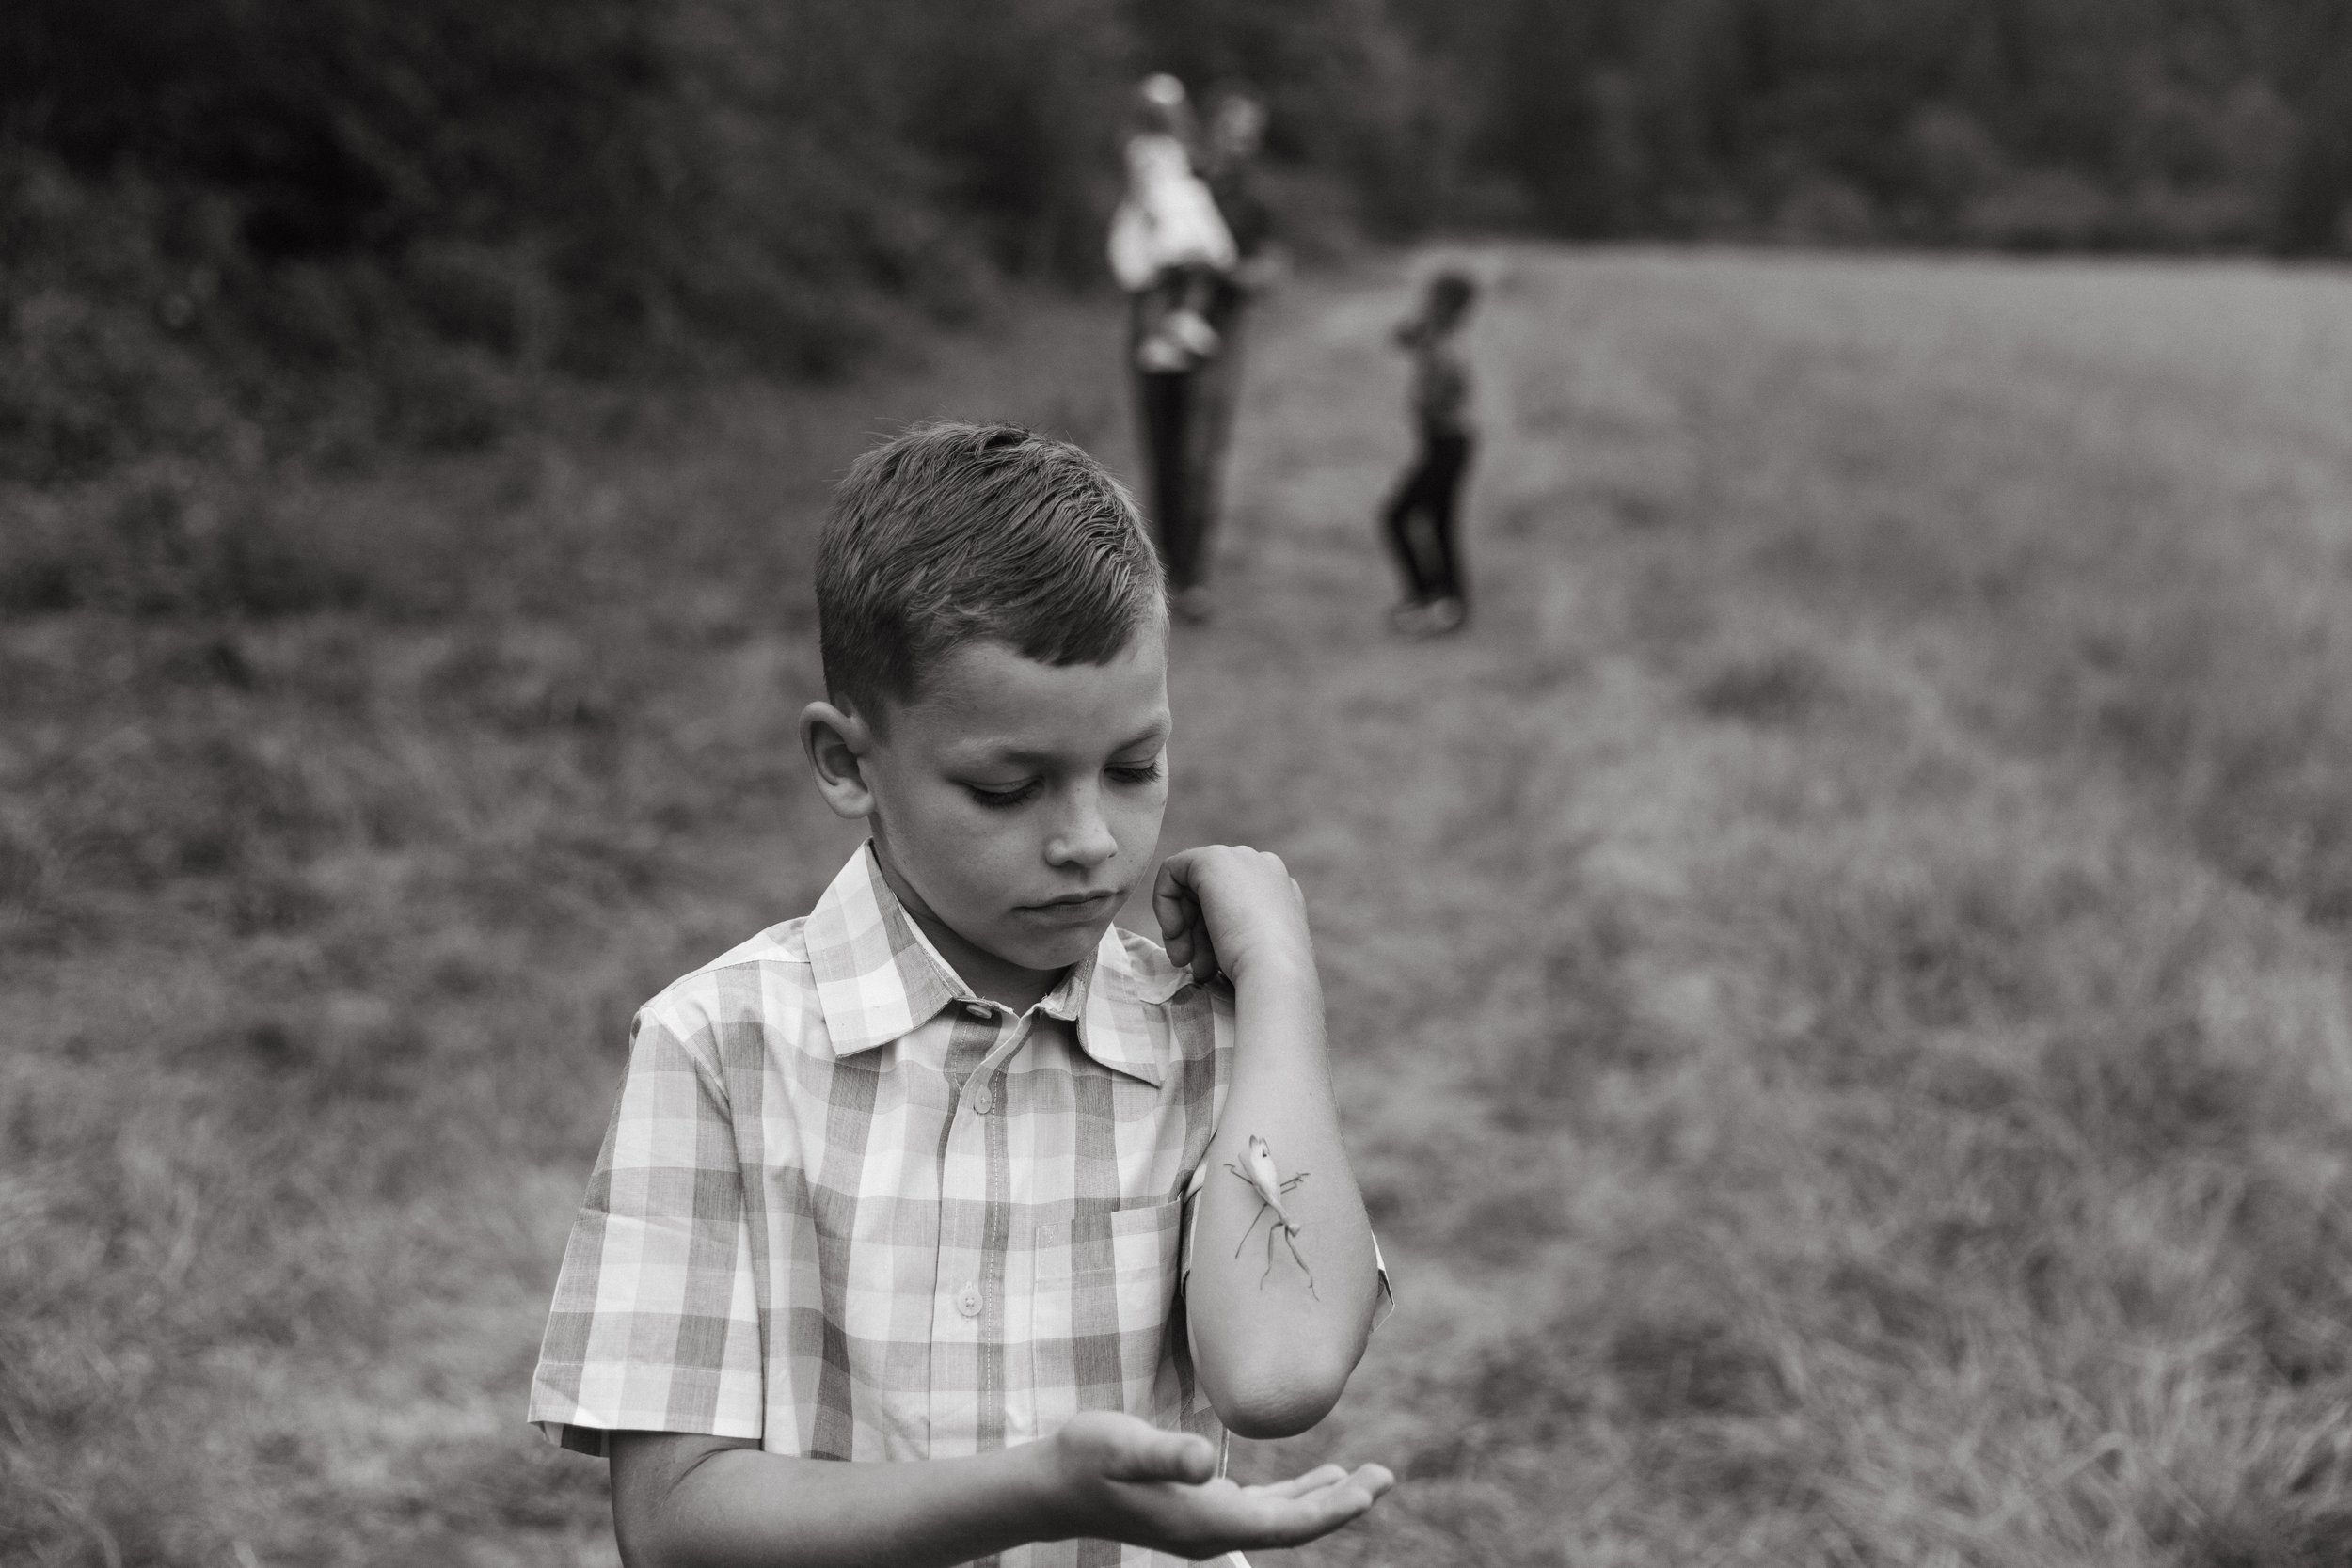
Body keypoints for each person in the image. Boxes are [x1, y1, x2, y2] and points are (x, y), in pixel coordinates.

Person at [526, 422, 1394, 1568]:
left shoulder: (1202, 1036)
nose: (1090, 841)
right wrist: (1032, 1492)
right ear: (846, 762)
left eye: (1135, 767)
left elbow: (1279, 1376)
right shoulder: (719, 1045)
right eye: (1007, 786)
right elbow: (676, 1523)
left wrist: (1280, 982)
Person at [1111, 74, 1237, 625]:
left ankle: (1188, 573)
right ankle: (1169, 573)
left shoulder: (1185, 176)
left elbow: (1208, 249)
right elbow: (1141, 249)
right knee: (1163, 457)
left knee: (1187, 459)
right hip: (1155, 334)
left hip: (1180, 342)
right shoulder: (1146, 168)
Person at [1381, 271, 1478, 638]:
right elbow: (1400, 337)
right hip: (1442, 442)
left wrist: (1429, 392)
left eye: (1432, 299)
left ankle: (1428, 599)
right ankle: (1446, 601)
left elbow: (1451, 392)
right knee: (1438, 522)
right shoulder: (1436, 337)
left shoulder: (1448, 347)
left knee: (1397, 516)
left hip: (1448, 443)